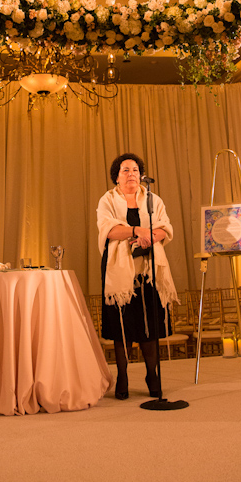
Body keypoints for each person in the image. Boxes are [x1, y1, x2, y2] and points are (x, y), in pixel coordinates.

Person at [97, 153, 178, 400]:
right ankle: (122, 375)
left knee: (149, 325)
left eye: (135, 170)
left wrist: (148, 237)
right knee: (123, 327)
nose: (131, 174)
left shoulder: (152, 199)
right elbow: (109, 230)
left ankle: (151, 374)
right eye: (125, 170)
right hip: (119, 272)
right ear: (116, 176)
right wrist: (136, 230)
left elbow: (165, 228)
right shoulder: (107, 200)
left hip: (149, 271)